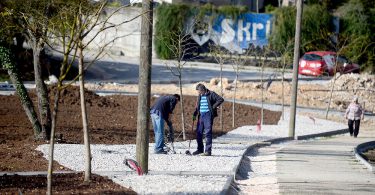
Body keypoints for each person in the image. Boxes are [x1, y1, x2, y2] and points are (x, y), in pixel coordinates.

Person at [192, 83, 224, 156]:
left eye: (199, 92)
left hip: (208, 115)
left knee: (208, 133)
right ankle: (200, 149)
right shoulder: (200, 95)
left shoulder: (211, 94)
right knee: (199, 133)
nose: (198, 93)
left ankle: (208, 151)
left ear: (203, 90)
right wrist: (195, 113)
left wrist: (213, 107)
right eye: (198, 92)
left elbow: (221, 99)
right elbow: (198, 105)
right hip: (201, 116)